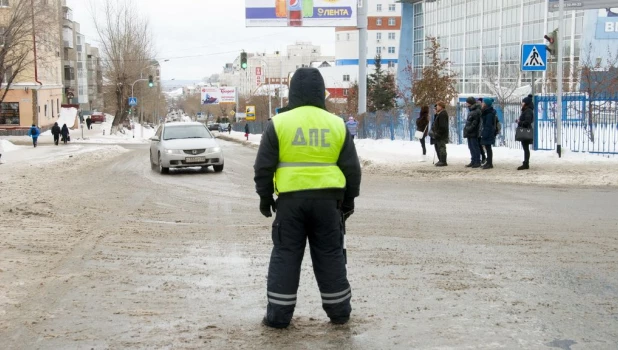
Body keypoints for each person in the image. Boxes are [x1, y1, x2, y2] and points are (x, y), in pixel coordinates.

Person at [253, 67, 362, 329]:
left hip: (290, 204)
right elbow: (352, 168)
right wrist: (348, 201)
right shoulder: (336, 123)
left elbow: (263, 167)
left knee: (286, 255)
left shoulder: (279, 123)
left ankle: (278, 317)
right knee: (330, 255)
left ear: (292, 92)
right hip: (328, 204)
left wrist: (265, 197)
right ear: (320, 92)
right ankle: (339, 313)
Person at [463, 97, 482, 168]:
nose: (466, 103)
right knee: (471, 147)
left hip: (473, 132)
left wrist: (469, 128)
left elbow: (475, 123)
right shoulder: (472, 110)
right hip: (470, 132)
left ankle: (477, 161)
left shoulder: (476, 111)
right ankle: (473, 160)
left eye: (467, 102)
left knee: (475, 147)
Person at [517, 94, 534, 170]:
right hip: (525, 130)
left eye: (523, 103)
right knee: (525, 148)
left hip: (525, 131)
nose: (522, 104)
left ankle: (526, 163)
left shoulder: (528, 111)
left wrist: (519, 122)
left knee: (526, 148)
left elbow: (527, 122)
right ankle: (526, 163)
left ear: (526, 103)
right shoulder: (527, 110)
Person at [430, 102, 449, 167]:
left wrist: (438, 133)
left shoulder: (443, 114)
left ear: (441, 106)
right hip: (439, 134)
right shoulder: (440, 114)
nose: (436, 107)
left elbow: (442, 126)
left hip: (441, 134)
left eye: (437, 106)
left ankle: (443, 161)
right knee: (438, 147)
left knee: (441, 148)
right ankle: (441, 160)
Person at [480, 98, 497, 169]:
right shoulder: (487, 112)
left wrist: (485, 134)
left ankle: (489, 163)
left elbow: (488, 125)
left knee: (488, 148)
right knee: (487, 148)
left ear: (486, 104)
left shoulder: (489, 113)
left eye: (483, 103)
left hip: (488, 132)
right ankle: (488, 162)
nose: (482, 104)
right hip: (488, 131)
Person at [477, 98, 487, 165]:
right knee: (479, 145)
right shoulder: (480, 110)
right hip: (480, 130)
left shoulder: (484, 111)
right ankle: (483, 157)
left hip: (482, 130)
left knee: (483, 145)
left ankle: (484, 158)